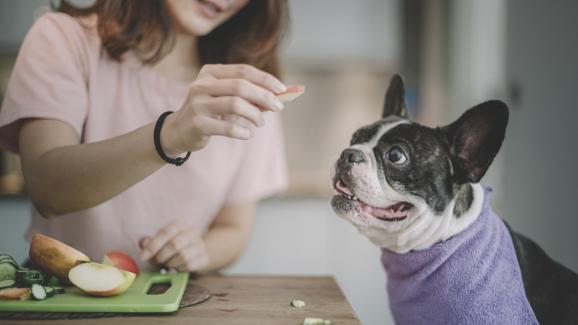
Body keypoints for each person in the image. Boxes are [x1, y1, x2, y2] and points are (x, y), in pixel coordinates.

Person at [0, 0, 289, 273]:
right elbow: (47, 190)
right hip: (61, 302)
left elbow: (234, 228)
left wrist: (200, 251)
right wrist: (170, 135)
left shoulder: (247, 88)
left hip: (178, 301)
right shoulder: (63, 39)